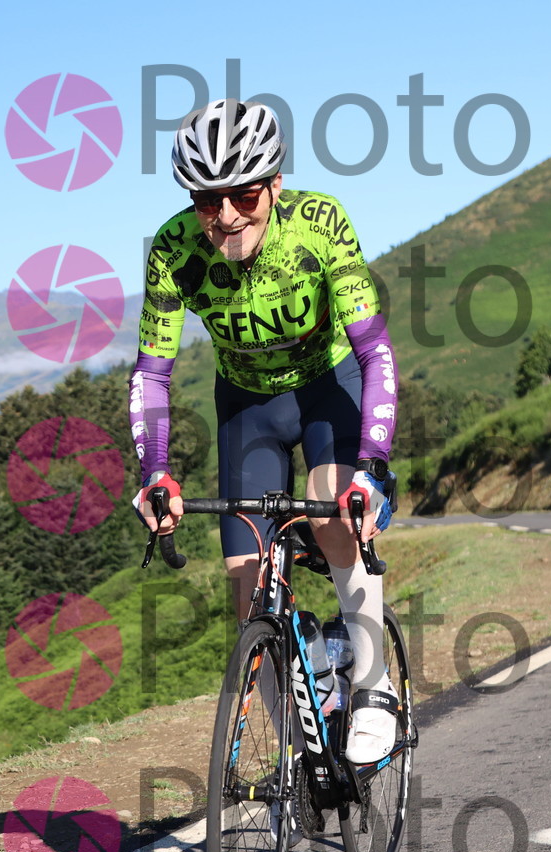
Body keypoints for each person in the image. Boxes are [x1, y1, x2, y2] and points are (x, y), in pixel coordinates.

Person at [129, 98, 400, 764]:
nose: (225, 215)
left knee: (334, 509)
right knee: (246, 584)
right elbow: (152, 373)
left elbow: (375, 351)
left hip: (328, 385)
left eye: (244, 195)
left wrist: (372, 465)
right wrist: (155, 471)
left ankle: (374, 685)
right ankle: (300, 759)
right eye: (206, 199)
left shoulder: (319, 224)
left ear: (275, 184)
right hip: (247, 404)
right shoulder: (173, 249)